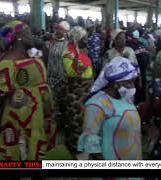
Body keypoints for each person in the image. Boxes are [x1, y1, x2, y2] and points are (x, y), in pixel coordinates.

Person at [0, 20, 57, 160]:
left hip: (37, 113)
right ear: (19, 36)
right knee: (18, 151)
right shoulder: (6, 63)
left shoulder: (31, 56)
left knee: (35, 150)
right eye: (28, 33)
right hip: (18, 115)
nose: (32, 36)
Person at [78, 56, 142, 160]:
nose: (133, 86)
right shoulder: (97, 104)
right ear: (116, 84)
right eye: (129, 82)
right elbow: (91, 142)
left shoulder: (125, 98)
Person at [61, 26, 94, 155]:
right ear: (76, 39)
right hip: (75, 93)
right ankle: (74, 149)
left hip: (84, 92)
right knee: (75, 122)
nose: (87, 40)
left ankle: (81, 146)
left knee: (84, 122)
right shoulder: (69, 53)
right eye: (84, 38)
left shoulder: (80, 51)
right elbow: (73, 72)